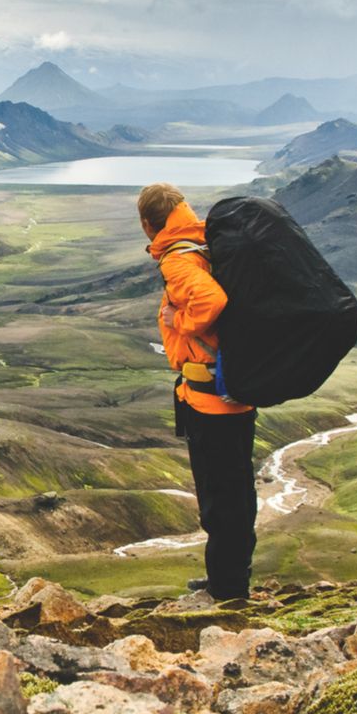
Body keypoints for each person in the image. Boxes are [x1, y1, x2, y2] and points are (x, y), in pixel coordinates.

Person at [139, 182, 256, 603]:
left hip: (211, 400)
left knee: (219, 496)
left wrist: (177, 319)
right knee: (238, 489)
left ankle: (229, 591)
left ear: (149, 224)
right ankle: (229, 575)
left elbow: (211, 302)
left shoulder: (180, 260)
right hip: (233, 390)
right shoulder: (204, 245)